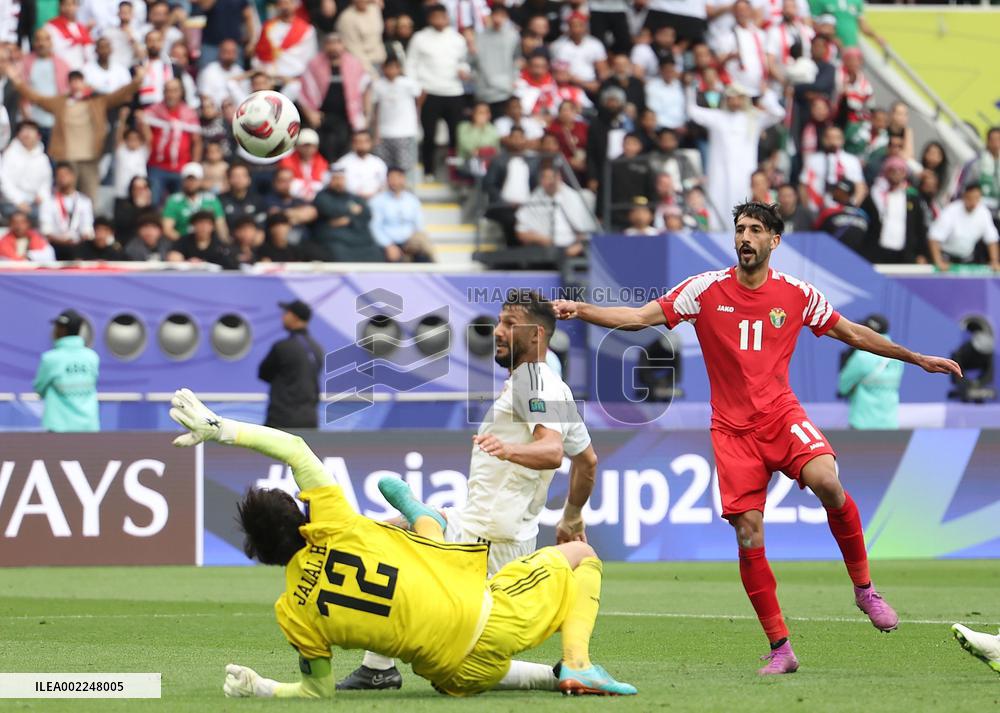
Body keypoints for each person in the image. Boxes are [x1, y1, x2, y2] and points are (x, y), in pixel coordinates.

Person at [552, 200, 963, 674]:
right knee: (749, 536)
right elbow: (642, 318)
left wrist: (916, 358)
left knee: (829, 481)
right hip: (732, 432)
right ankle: (781, 647)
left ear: (774, 241)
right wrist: (582, 308)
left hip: (780, 416)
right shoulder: (705, 289)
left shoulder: (797, 294)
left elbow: (852, 333)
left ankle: (864, 588)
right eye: (740, 230)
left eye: (755, 230)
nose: (744, 238)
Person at [166, 384, 631, 698]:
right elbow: (293, 448)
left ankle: (547, 678)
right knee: (581, 554)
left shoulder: (292, 614)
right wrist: (222, 429)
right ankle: (576, 663)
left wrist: (264, 687)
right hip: (491, 621)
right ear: (301, 513)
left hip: (449, 674)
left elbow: (316, 692)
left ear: (262, 556)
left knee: (404, 539)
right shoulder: (333, 522)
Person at [339, 290, 598, 690]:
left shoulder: (534, 381)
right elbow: (587, 462)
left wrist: (510, 448)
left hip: (490, 540)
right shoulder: (549, 386)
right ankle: (378, 667)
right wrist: (571, 515)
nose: (498, 331)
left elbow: (552, 451)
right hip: (483, 527)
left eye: (510, 324)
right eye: (499, 321)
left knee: (454, 666)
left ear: (537, 336)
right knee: (390, 534)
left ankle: (553, 677)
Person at [7, 64, 143, 203]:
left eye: (79, 80)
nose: (76, 85)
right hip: (67, 159)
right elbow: (37, 98)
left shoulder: (98, 101)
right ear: (68, 84)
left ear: (84, 83)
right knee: (64, 200)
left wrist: (138, 80)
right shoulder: (60, 102)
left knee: (90, 201)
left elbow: (120, 94)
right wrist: (17, 82)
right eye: (72, 81)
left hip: (90, 159)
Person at [686, 83, 785, 229]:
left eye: (739, 98)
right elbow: (692, 111)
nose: (735, 102)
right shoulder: (717, 117)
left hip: (744, 173)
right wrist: (690, 88)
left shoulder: (754, 118)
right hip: (720, 173)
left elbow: (779, 114)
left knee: (743, 204)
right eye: (731, 98)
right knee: (718, 204)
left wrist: (766, 95)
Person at [407, 4, 469, 178]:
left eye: (443, 16)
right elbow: (411, 64)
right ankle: (428, 170)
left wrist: (464, 70)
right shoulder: (420, 38)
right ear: (429, 19)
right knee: (429, 134)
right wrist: (416, 89)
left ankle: (455, 171)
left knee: (456, 135)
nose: (440, 20)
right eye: (436, 16)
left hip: (453, 91)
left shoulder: (457, 39)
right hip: (429, 91)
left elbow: (463, 61)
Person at [257, 300, 324, 429]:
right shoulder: (317, 349)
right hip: (310, 421)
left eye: (286, 313)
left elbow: (263, 374)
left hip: (281, 421)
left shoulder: (282, 347)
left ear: (295, 317)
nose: (283, 316)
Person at [34, 308, 100, 432]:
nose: (54, 331)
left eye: (56, 327)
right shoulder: (93, 357)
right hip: (88, 427)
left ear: (62, 330)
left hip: (58, 429)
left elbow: (39, 388)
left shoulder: (50, 359)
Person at [139, 77, 203, 204]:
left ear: (181, 92)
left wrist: (194, 166)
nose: (171, 94)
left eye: (174, 90)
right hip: (157, 166)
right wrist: (140, 123)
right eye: (167, 91)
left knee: (180, 203)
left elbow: (197, 142)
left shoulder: (189, 113)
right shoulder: (153, 111)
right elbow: (145, 138)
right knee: (153, 201)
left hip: (181, 167)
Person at [837, 314, 902, 430]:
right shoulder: (899, 356)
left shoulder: (861, 356)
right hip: (890, 424)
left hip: (862, 424)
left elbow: (843, 387)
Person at [311, 166, 385, 262]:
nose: (339, 182)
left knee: (375, 250)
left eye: (341, 179)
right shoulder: (322, 196)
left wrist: (349, 219)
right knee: (337, 251)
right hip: (335, 238)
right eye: (335, 179)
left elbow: (367, 213)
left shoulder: (353, 197)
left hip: (357, 237)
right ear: (329, 180)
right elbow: (330, 210)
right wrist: (352, 211)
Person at [515, 164, 592, 256]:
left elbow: (588, 233)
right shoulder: (532, 201)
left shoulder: (575, 198)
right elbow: (521, 233)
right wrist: (544, 240)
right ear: (540, 180)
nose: (551, 181)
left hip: (574, 250)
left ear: (560, 177)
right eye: (546, 178)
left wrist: (575, 249)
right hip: (543, 251)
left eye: (553, 177)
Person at [928, 183, 1000, 273]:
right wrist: (938, 261)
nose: (973, 202)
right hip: (947, 258)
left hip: (967, 259)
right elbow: (934, 238)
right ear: (964, 197)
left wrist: (994, 261)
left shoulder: (984, 213)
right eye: (970, 198)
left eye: (976, 198)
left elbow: (992, 239)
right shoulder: (951, 211)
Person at [252, 0, 317, 95]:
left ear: (295, 5)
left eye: (288, 3)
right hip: (269, 80)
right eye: (281, 3)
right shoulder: (268, 27)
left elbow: (310, 59)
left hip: (294, 81)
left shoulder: (307, 30)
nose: (284, 6)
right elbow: (260, 54)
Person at [369, 167, 434, 262]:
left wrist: (413, 242)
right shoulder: (377, 201)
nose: (396, 182)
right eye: (392, 178)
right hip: (388, 243)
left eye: (399, 177)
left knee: (424, 254)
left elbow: (419, 225)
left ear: (404, 179)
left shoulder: (412, 200)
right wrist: (388, 246)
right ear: (387, 180)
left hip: (410, 243)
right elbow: (375, 227)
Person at [370, 57, 420, 181]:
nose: (391, 71)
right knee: (384, 165)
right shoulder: (378, 85)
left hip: (405, 131)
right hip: (385, 132)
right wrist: (376, 132)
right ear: (383, 69)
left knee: (405, 165)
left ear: (399, 69)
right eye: (388, 67)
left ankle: (406, 189)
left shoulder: (408, 83)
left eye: (394, 67)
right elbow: (376, 109)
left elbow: (421, 94)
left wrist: (416, 114)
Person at [39, 162, 95, 260]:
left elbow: (87, 228)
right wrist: (63, 241)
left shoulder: (84, 202)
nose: (63, 178)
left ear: (73, 176)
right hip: (55, 245)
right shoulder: (48, 202)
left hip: (78, 245)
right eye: (59, 175)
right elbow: (46, 231)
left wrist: (80, 239)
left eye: (66, 175)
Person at [472, 4, 520, 118]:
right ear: (490, 16)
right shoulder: (479, 36)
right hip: (483, 90)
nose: (498, 18)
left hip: (505, 90)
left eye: (502, 15)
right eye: (496, 15)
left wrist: (514, 79)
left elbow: (517, 60)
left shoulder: (513, 36)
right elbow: (472, 61)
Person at [0, 121, 52, 222]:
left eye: (31, 130)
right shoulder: (9, 155)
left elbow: (46, 182)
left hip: (35, 204)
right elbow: (4, 182)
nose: (27, 133)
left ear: (38, 136)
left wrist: (42, 195)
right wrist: (19, 201)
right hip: (12, 203)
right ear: (18, 135)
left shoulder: (43, 158)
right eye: (24, 130)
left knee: (50, 211)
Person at [162, 163, 227, 242]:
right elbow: (167, 229)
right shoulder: (174, 201)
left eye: (194, 179)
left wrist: (224, 242)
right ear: (183, 181)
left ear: (201, 181)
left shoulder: (211, 200)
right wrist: (186, 244)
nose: (191, 183)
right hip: (182, 244)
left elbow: (220, 226)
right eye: (188, 179)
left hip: (208, 245)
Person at [168, 210, 237, 268]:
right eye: (200, 223)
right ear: (193, 225)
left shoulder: (220, 245)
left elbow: (229, 266)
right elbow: (174, 257)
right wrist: (186, 262)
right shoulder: (183, 241)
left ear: (213, 227)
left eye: (207, 224)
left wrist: (202, 264)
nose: (204, 227)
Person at [335, 0, 385, 76]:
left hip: (381, 61)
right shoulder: (346, 18)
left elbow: (378, 38)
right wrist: (371, 73)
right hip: (362, 65)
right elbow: (353, 49)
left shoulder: (375, 10)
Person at [335, 130, 388, 200]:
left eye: (365, 141)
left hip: (375, 200)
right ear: (353, 144)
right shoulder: (343, 163)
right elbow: (337, 185)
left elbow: (384, 185)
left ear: (370, 143)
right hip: (350, 201)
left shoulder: (378, 163)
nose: (362, 145)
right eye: (358, 141)